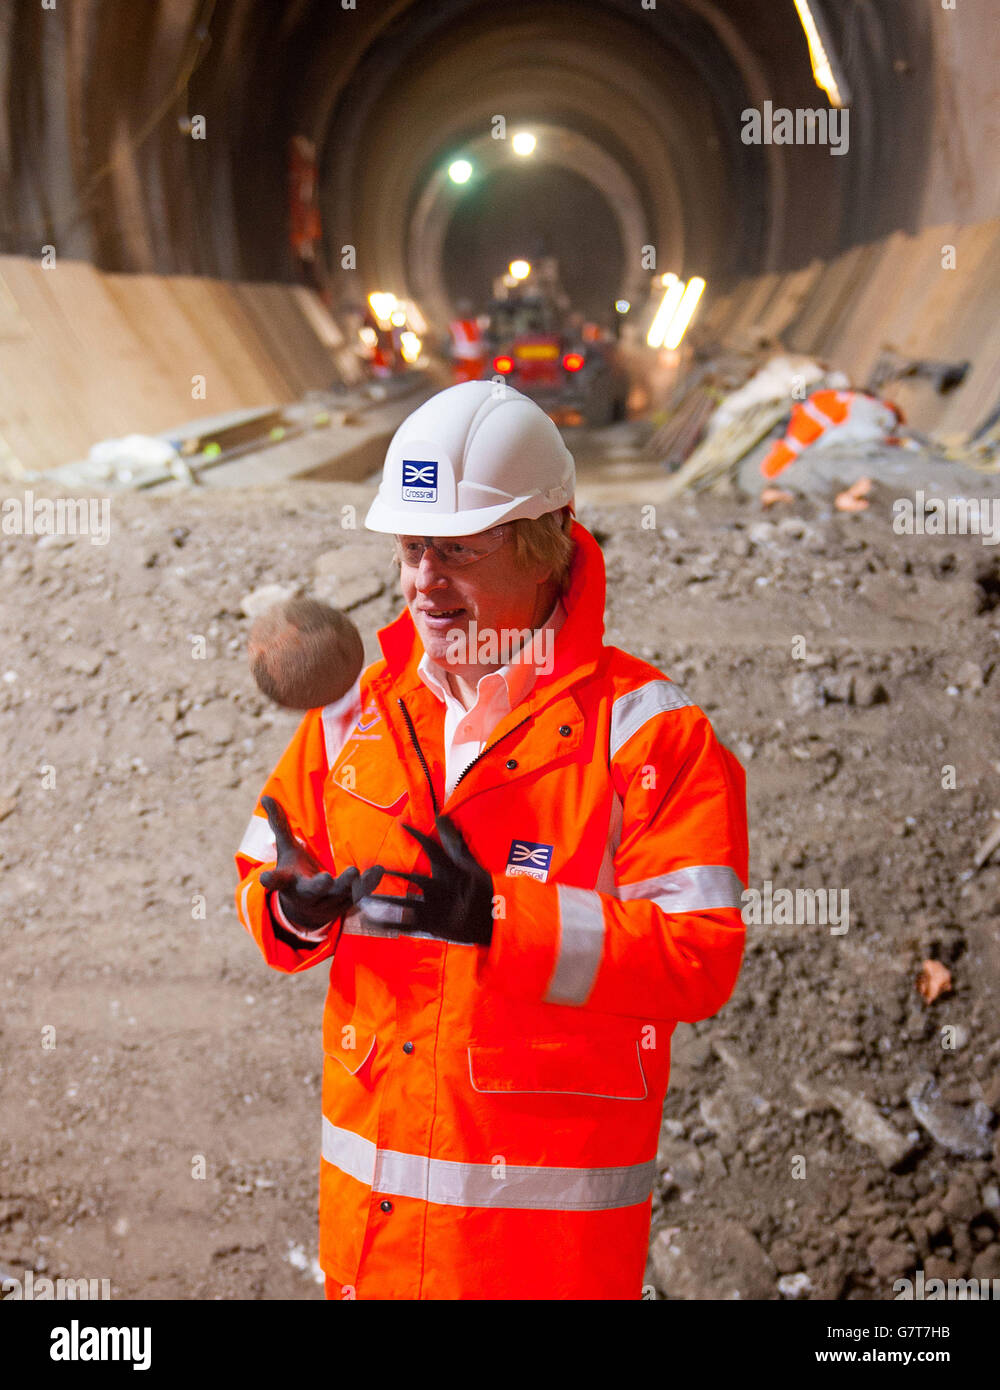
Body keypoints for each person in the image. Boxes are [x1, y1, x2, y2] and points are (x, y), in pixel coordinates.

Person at [234, 380, 748, 1300]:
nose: (424, 583)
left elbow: (698, 959)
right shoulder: (363, 713)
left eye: (458, 551)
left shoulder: (647, 735)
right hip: (371, 1253)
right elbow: (264, 864)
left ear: (546, 544)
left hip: (539, 1263)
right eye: (411, 549)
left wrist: (504, 921)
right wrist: (293, 909)